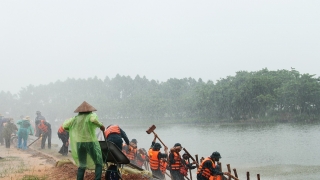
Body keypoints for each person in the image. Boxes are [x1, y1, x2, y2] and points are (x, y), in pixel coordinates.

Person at [62, 101, 105, 180]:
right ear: (90, 110)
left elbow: (65, 126)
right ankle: (97, 178)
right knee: (98, 162)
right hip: (90, 142)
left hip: (79, 144)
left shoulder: (76, 119)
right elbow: (93, 120)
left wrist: (72, 129)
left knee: (82, 164)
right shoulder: (91, 115)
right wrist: (101, 126)